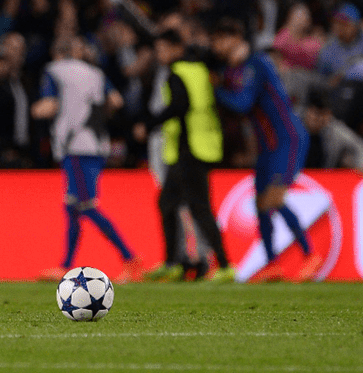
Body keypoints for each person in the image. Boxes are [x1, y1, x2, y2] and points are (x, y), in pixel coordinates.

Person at [210, 18, 321, 282]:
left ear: (236, 36)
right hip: (266, 146)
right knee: (261, 204)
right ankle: (273, 264)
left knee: (273, 199)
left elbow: (242, 103)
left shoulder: (257, 64)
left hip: (287, 139)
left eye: (220, 39)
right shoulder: (232, 69)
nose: (217, 46)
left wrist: (215, 89)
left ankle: (311, 254)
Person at [32, 36, 141, 283]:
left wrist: (37, 110)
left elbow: (48, 105)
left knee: (86, 206)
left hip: (75, 147)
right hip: (95, 144)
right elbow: (116, 101)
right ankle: (65, 265)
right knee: (71, 207)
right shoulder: (95, 73)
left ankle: (130, 258)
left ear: (56, 53)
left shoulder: (54, 71)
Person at [134, 30, 234, 283]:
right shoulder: (198, 70)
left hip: (187, 149)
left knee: (198, 207)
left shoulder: (176, 73)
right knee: (168, 202)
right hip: (199, 146)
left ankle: (223, 265)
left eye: (162, 49)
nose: (160, 55)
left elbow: (180, 106)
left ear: (176, 48)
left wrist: (149, 124)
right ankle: (173, 263)